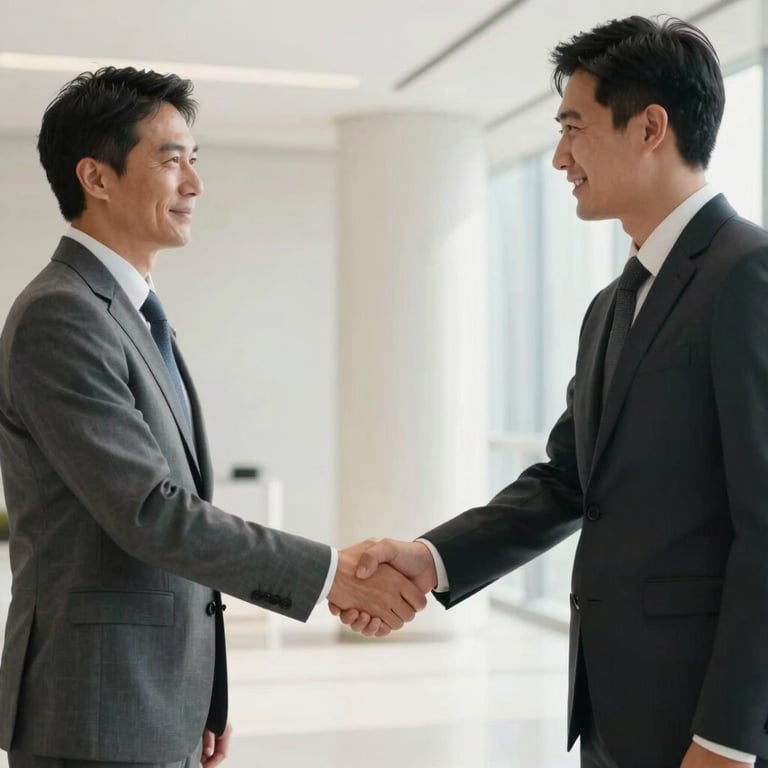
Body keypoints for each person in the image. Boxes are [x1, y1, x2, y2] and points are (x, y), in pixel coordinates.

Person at [334, 15, 768, 768]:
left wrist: (728, 739)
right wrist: (431, 558)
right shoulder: (611, 305)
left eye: (574, 128)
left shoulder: (748, 275)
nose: (560, 157)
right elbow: (569, 480)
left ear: (650, 128)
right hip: (613, 713)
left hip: (705, 724)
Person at [0, 67, 426, 768]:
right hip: (94, 713)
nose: (194, 184)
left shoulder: (128, 312)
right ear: (97, 177)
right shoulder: (63, 315)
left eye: (194, 160)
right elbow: (151, 512)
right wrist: (332, 574)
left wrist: (204, 694)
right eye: (172, 161)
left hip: (149, 700)